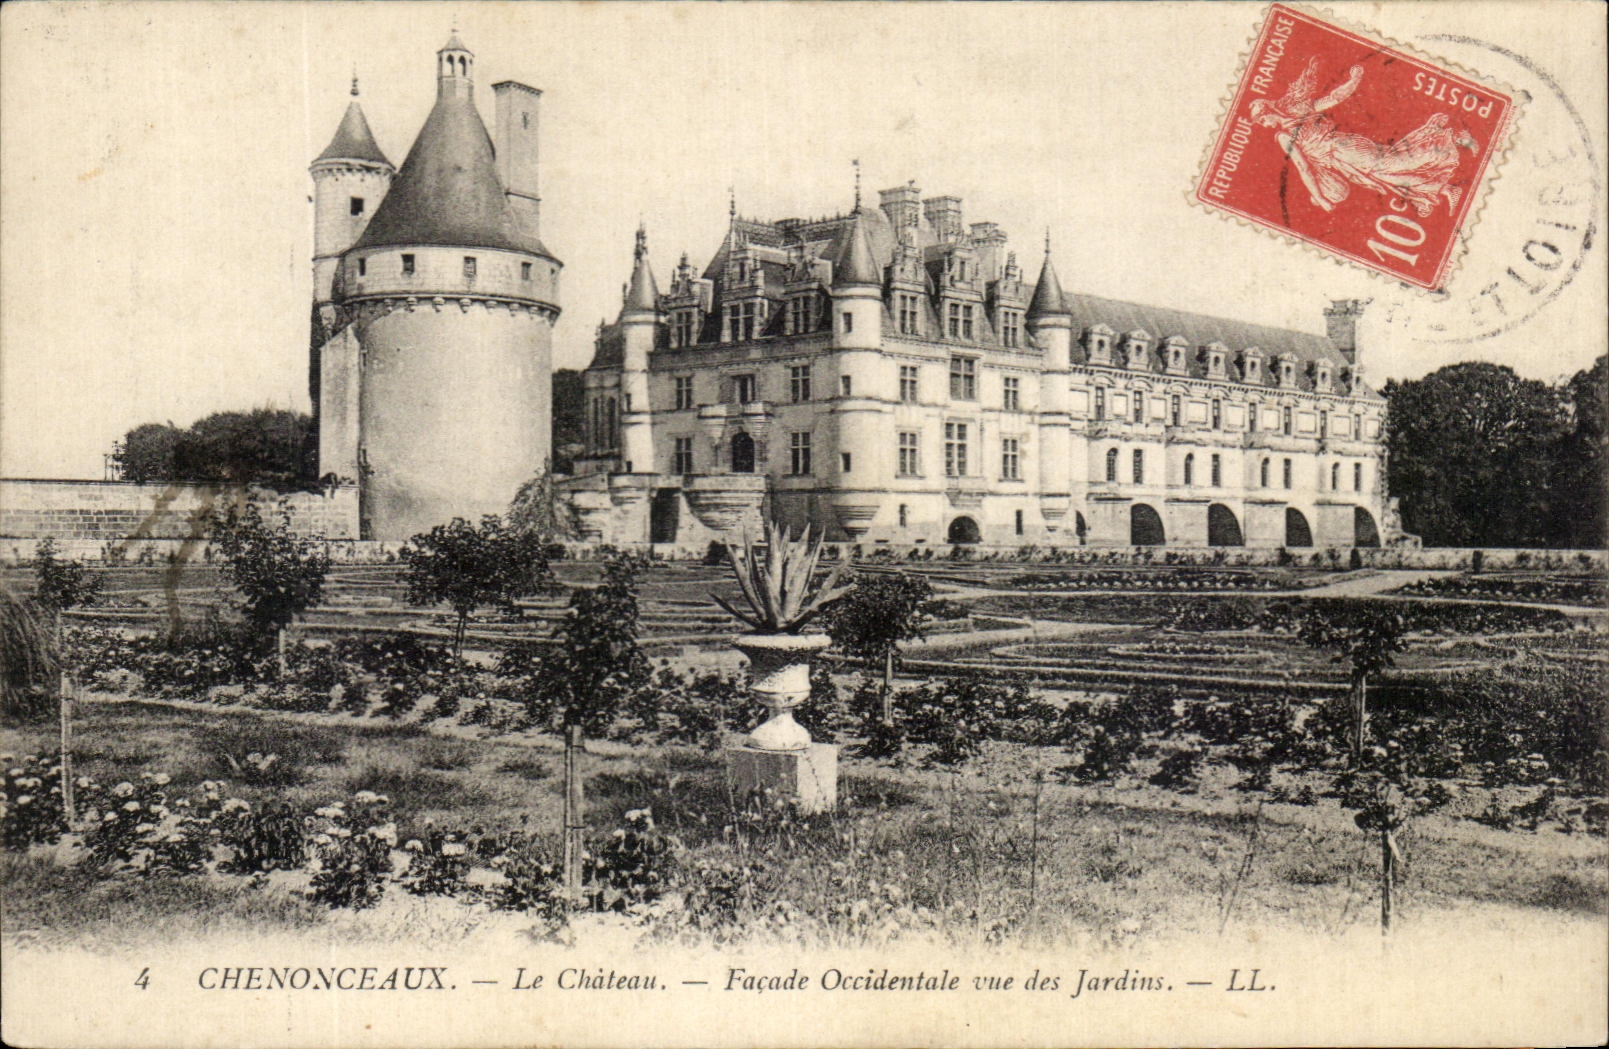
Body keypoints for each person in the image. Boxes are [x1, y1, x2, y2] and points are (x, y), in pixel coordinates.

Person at [1250, 57, 1478, 217]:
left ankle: (1454, 138)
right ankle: (1448, 189)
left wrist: (1320, 198)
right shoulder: (1293, 120)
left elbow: (1303, 167)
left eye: (1262, 119)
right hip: (1343, 158)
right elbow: (1330, 101)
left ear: (1269, 109)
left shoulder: (1285, 132)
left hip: (1343, 149)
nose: (1265, 125)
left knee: (1394, 164)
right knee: (1389, 176)